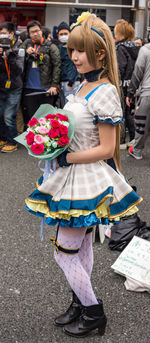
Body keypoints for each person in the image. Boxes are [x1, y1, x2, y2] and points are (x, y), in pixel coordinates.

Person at [25, 13, 142, 337]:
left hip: (86, 178)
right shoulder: (84, 83)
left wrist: (66, 155)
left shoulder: (104, 90)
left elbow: (107, 148)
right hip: (74, 176)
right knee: (82, 248)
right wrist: (52, 140)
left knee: (62, 253)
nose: (73, 56)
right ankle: (79, 301)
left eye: (80, 50)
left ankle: (93, 311)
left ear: (101, 53)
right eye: (71, 49)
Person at [21, 20, 61, 127]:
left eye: (37, 31)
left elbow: (57, 65)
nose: (35, 33)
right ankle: (33, 142)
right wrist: (25, 52)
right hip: (29, 88)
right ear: (29, 34)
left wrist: (53, 85)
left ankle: (44, 142)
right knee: (31, 118)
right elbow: (17, 57)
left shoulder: (50, 47)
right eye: (32, 32)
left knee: (45, 119)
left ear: (41, 30)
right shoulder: (26, 44)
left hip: (45, 89)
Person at [114, 20, 140, 149]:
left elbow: (120, 68)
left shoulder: (120, 48)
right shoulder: (136, 47)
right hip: (134, 84)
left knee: (123, 112)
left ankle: (124, 140)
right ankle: (134, 138)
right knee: (130, 111)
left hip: (123, 84)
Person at [0, 22, 24, 152]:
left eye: (4, 33)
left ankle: (12, 142)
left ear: (11, 34)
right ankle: (3, 138)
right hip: (1, 86)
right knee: (1, 115)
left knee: (9, 116)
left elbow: (18, 70)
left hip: (14, 87)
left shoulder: (18, 48)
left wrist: (9, 57)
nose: (2, 36)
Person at [126, 42, 150, 160]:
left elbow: (138, 72)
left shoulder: (145, 50)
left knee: (142, 123)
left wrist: (131, 92)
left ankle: (137, 151)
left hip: (148, 92)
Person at [57, 21, 81, 104]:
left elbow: (75, 66)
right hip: (62, 83)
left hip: (72, 83)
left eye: (65, 33)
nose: (63, 36)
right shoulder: (59, 48)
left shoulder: (74, 47)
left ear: (70, 34)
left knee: (72, 107)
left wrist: (70, 83)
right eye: (61, 34)